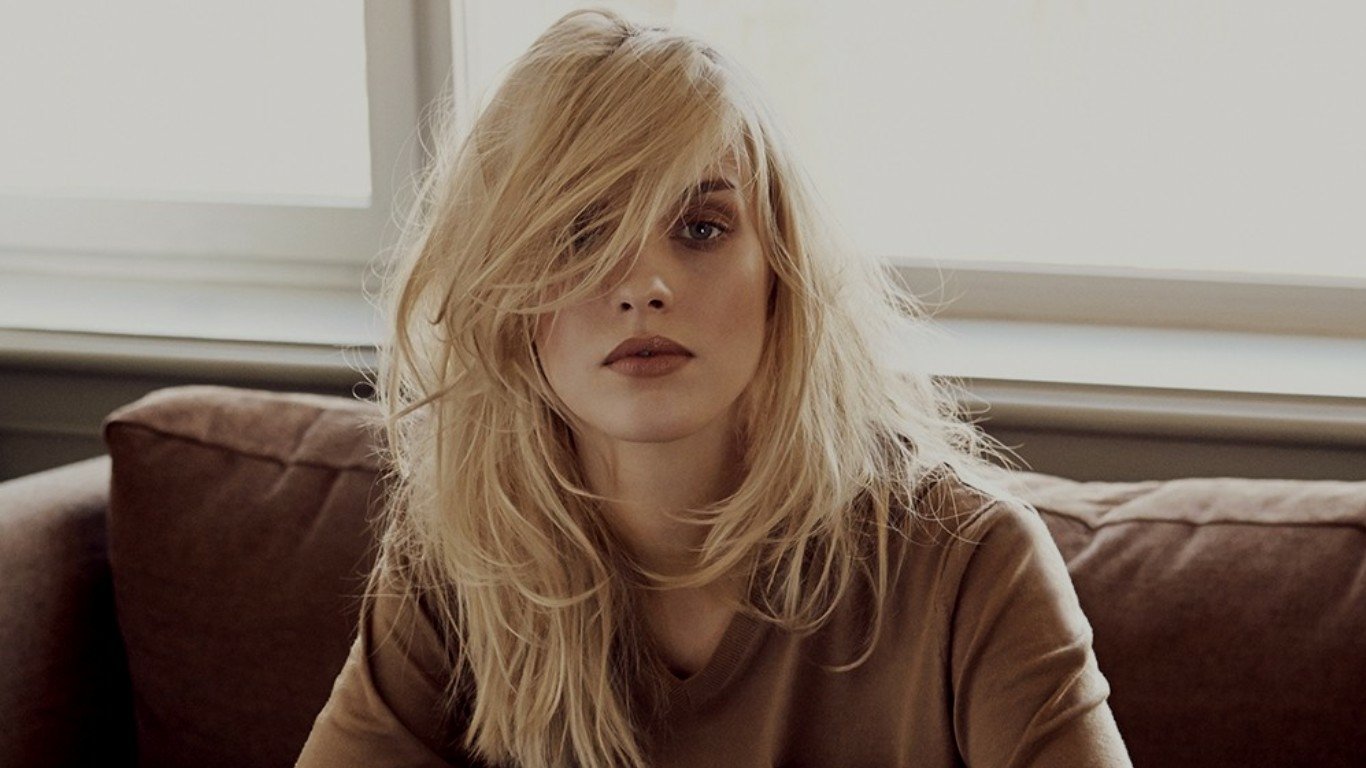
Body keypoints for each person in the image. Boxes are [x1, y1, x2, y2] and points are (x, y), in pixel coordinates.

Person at [297, 7, 1131, 767]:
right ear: (503, 287)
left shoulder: (971, 567)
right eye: (581, 232)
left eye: (701, 228)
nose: (644, 284)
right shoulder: (457, 564)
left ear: (781, 273)